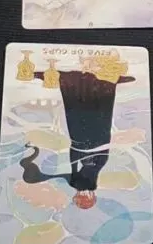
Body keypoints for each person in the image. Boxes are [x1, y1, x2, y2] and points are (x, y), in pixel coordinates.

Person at [18, 56, 135, 209]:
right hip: (95, 138)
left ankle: (99, 83)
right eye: (86, 196)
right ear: (91, 195)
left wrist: (73, 176)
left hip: (83, 139)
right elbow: (85, 167)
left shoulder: (81, 176)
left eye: (81, 196)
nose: (83, 193)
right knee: (95, 112)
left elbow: (75, 160)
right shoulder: (92, 171)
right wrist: (78, 179)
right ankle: (105, 83)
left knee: (78, 112)